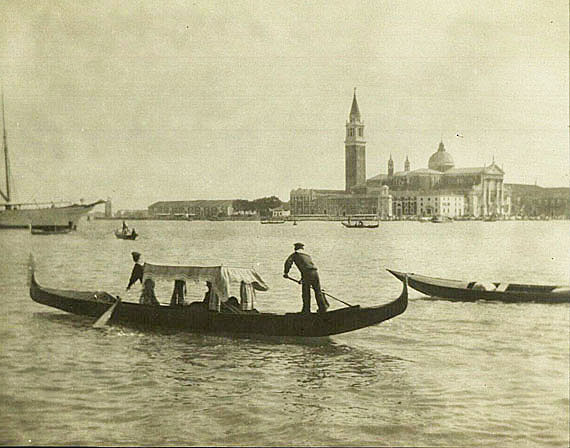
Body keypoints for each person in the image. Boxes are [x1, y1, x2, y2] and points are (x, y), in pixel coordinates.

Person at [283, 242, 329, 313]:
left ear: (295, 248)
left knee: (306, 292)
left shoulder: (295, 255)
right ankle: (322, 308)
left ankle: (306, 310)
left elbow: (288, 263)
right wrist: (302, 279)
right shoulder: (307, 255)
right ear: (302, 248)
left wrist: (286, 272)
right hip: (315, 273)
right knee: (318, 291)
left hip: (307, 274)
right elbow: (306, 266)